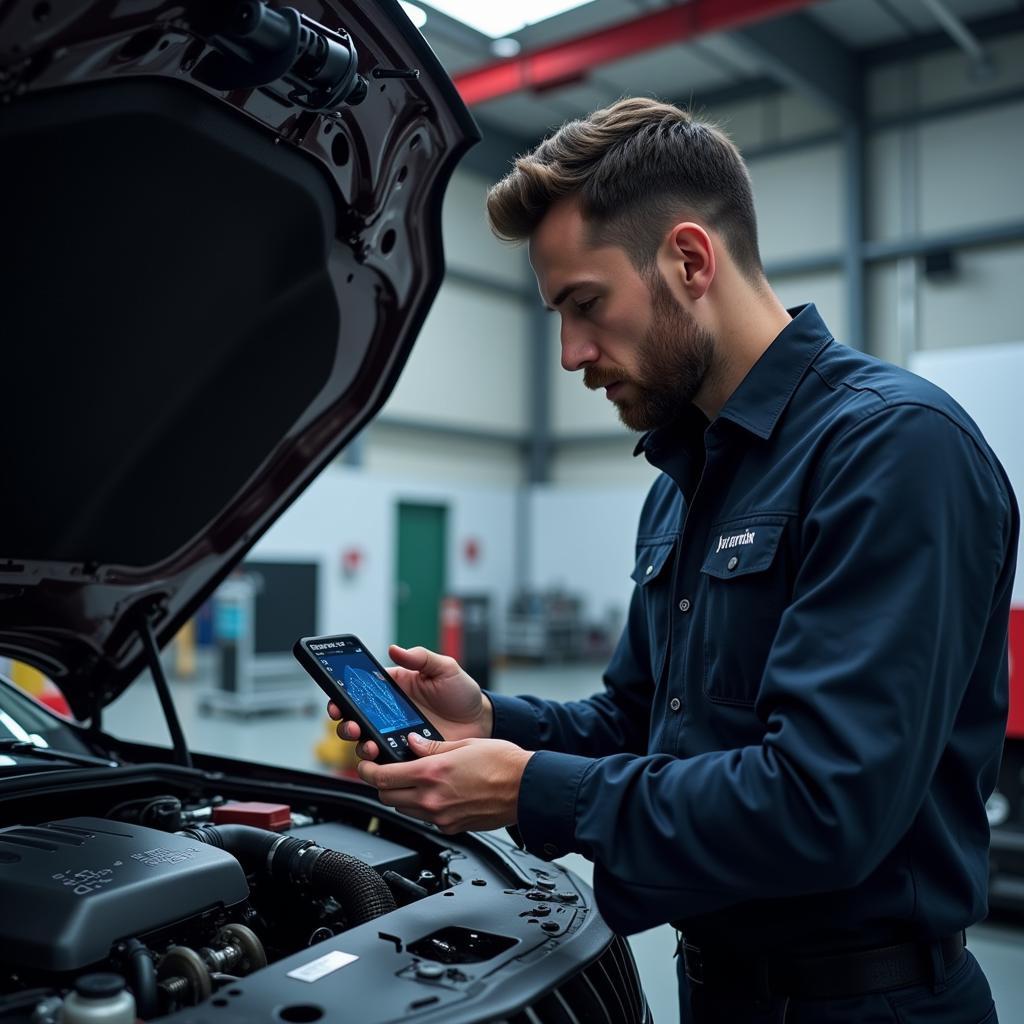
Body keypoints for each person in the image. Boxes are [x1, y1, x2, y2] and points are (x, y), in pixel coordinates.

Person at [328, 98, 1018, 1023]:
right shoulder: (685, 478)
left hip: (870, 1004)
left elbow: (823, 804)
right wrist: (494, 719)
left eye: (586, 305)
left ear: (690, 261)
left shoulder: (893, 450)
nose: (572, 353)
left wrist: (528, 789)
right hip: (718, 990)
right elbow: (643, 717)